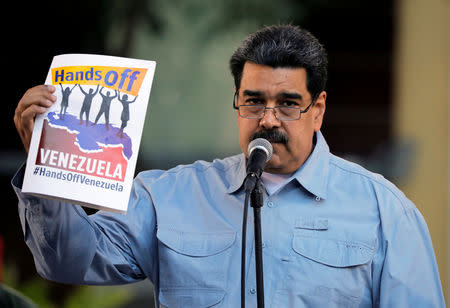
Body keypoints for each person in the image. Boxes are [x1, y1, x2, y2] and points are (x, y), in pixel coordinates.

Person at [11, 24, 445, 307]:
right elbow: (67, 261)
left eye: (289, 104)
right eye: (254, 101)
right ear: (237, 102)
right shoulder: (170, 196)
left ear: (319, 110)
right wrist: (44, 166)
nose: (269, 118)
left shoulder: (385, 211)